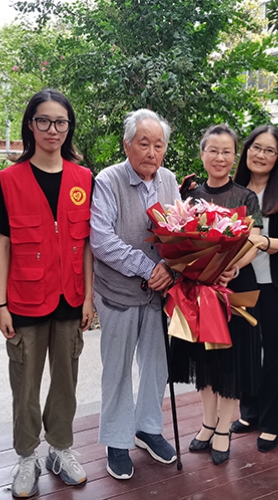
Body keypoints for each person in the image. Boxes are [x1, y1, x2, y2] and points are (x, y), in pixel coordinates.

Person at [0, 89, 94, 498]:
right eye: (43, 120)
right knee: (25, 386)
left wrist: (88, 297)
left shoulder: (84, 179)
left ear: (69, 127)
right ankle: (27, 455)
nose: (52, 129)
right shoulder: (8, 181)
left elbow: (87, 244)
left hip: (70, 298)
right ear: (30, 124)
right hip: (24, 300)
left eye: (60, 122)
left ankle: (60, 448)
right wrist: (0, 302)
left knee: (66, 381)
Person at [90, 109, 180, 480]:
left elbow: (179, 230)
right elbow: (101, 240)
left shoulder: (169, 180)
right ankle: (116, 439)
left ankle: (148, 428)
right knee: (117, 369)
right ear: (127, 145)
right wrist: (148, 268)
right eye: (144, 143)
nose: (151, 152)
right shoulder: (108, 180)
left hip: (159, 294)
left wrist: (172, 267)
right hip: (117, 292)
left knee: (157, 365)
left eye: (158, 145)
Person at [171, 124, 263, 465]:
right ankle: (208, 423)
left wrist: (231, 266)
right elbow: (179, 238)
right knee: (205, 360)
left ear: (234, 157)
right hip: (198, 288)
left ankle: (224, 427)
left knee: (231, 361)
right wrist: (195, 265)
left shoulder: (246, 196)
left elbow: (254, 240)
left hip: (234, 286)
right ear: (202, 154)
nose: (220, 157)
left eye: (227, 152)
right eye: (213, 150)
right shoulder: (190, 197)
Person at [229, 125, 278, 453]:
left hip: (272, 285)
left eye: (269, 150)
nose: (261, 155)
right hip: (238, 282)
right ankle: (249, 413)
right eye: (256, 147)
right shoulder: (233, 190)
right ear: (247, 150)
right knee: (244, 351)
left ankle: (272, 423)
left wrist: (261, 241)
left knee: (272, 355)